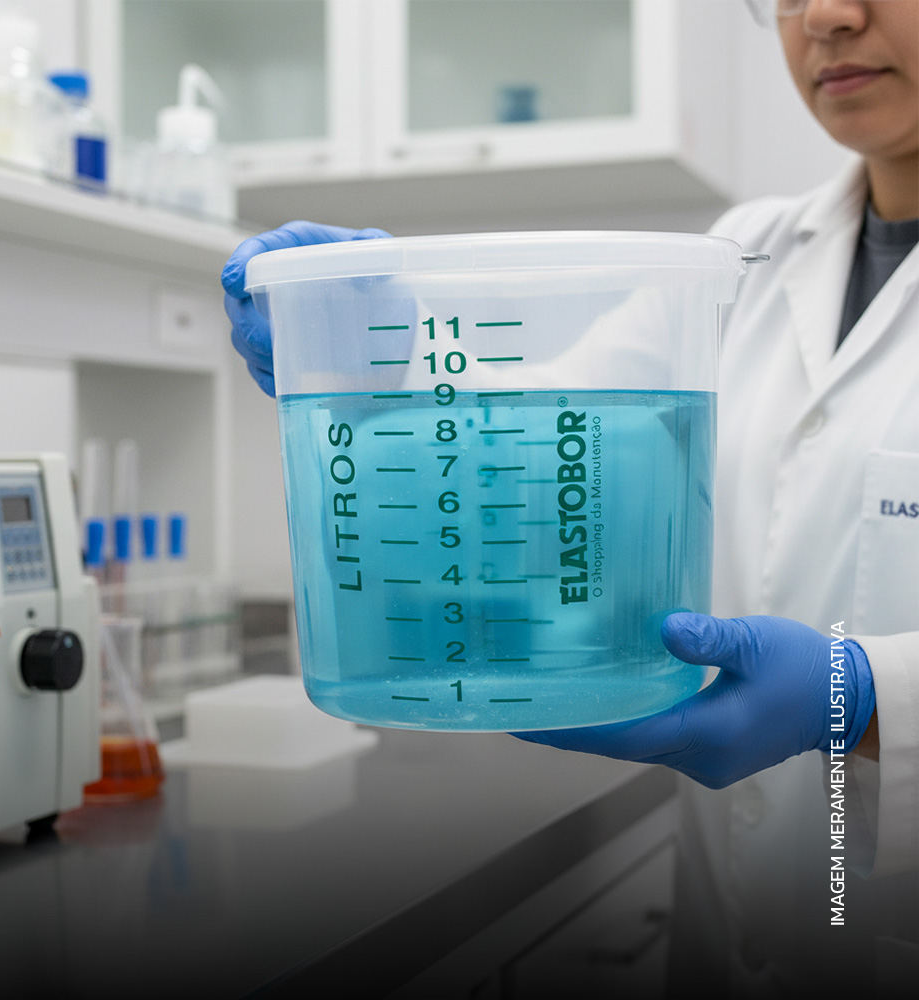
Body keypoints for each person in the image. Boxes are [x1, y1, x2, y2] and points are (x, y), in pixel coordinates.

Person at [222, 0, 917, 993]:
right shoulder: (743, 254)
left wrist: (866, 695)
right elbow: (537, 452)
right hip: (725, 932)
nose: (828, 15)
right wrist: (383, 350)